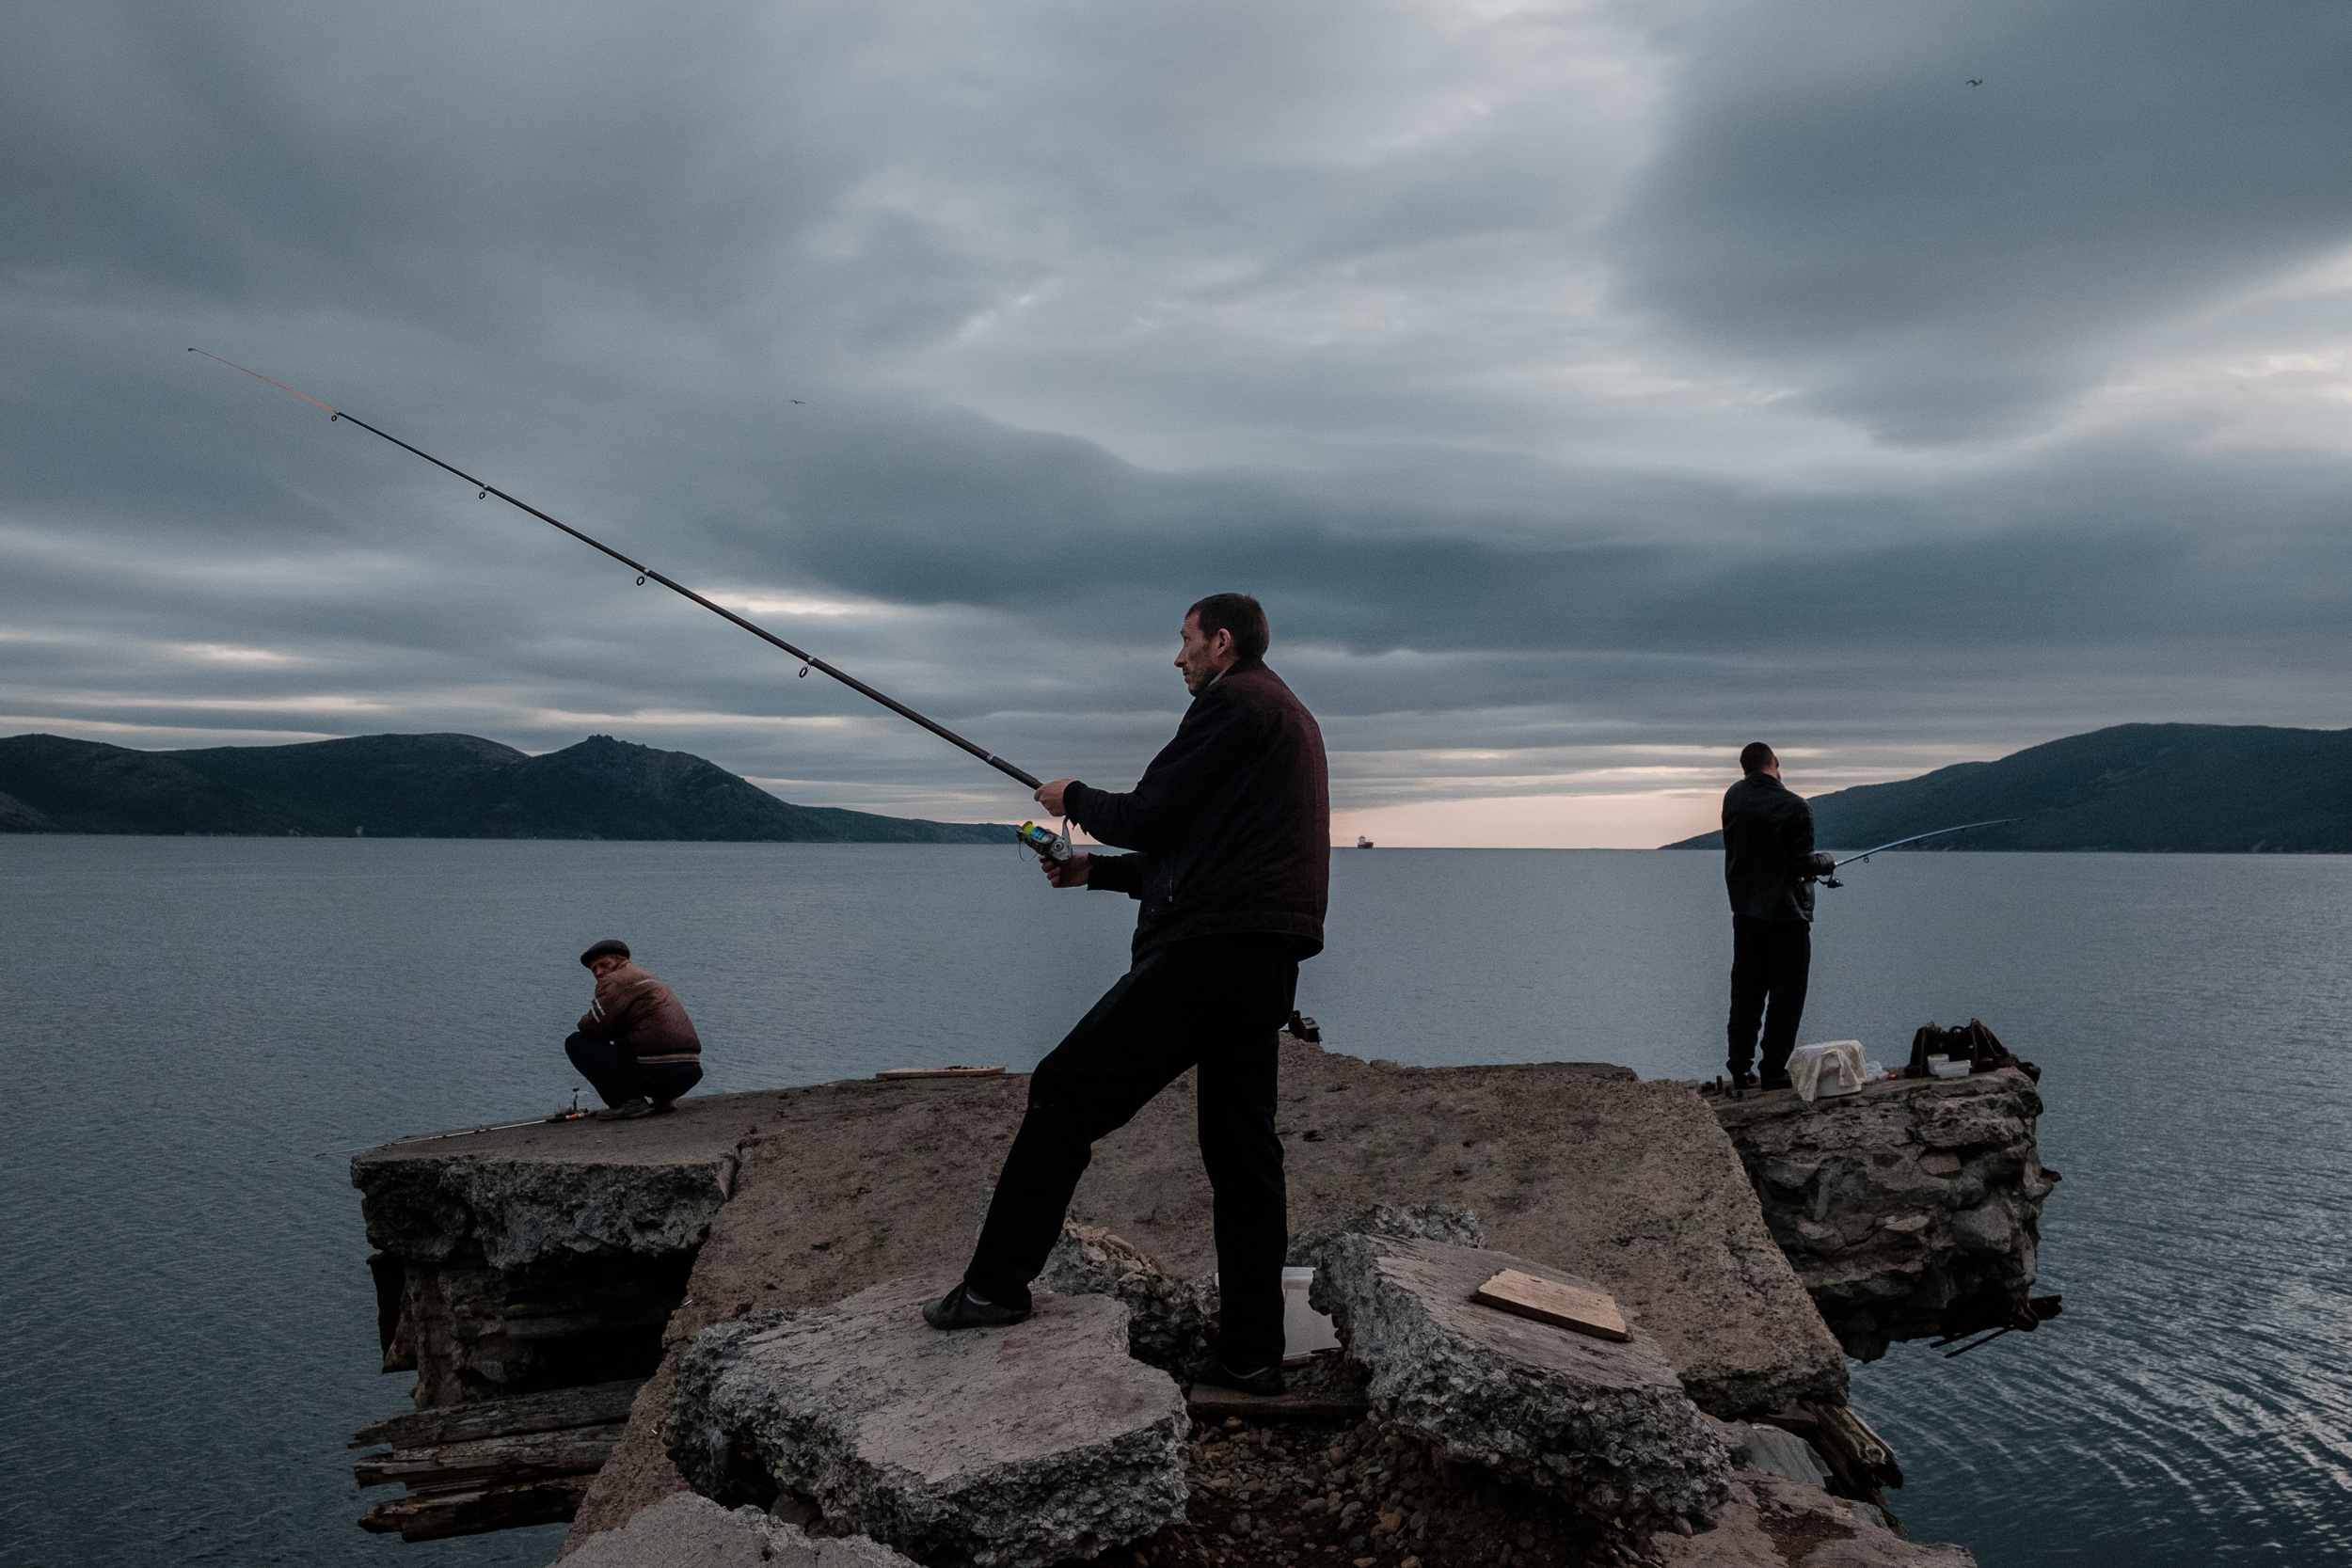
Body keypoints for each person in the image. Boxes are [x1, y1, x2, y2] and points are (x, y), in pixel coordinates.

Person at [922, 593, 1329, 1397]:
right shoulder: (1286, 716)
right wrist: (1089, 870)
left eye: (1184, 643)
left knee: (1065, 1091)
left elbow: (1147, 815)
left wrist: (1070, 796)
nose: (1177, 659)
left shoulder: (1233, 705)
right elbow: (1201, 851)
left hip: (1207, 956)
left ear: (1221, 640)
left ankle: (994, 1288)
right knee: (1243, 1154)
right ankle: (1251, 1354)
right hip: (1262, 961)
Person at [1721, 743, 1837, 1095]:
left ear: (1745, 768)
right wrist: (1826, 862)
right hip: (1787, 915)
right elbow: (1802, 864)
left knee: (1746, 992)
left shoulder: (1733, 798)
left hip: (1746, 912)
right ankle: (1773, 1070)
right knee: (1786, 995)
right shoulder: (1795, 806)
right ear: (1774, 763)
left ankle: (1739, 1068)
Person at [564, 940, 704, 1119]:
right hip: (690, 1071)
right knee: (633, 1036)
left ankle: (627, 1103)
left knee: (576, 1043)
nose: (599, 972)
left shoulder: (615, 981)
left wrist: (593, 1025)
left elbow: (591, 1028)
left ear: (619, 961)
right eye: (594, 969)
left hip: (658, 1073)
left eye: (603, 965)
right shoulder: (650, 979)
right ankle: (664, 1100)